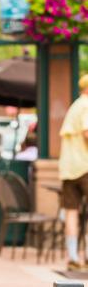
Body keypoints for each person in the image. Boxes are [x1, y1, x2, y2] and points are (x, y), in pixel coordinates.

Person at [59, 74, 88, 270]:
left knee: (71, 212)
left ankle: (73, 257)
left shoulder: (75, 106)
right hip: (84, 165)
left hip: (68, 168)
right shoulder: (87, 105)